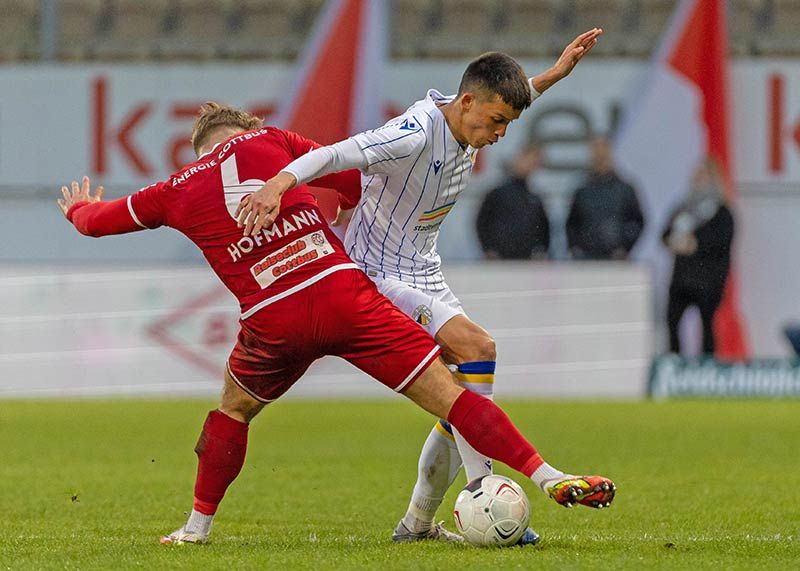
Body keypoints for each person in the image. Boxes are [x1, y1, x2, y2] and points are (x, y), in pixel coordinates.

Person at [58, 103, 615, 545]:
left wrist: (78, 209)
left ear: (198, 148)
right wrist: (334, 217)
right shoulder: (270, 140)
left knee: (233, 410)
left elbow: (97, 224)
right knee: (452, 394)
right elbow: (343, 175)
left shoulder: (175, 189)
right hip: (342, 293)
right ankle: (547, 475)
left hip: (273, 320)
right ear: (243, 130)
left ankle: (196, 529)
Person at [234, 29, 608, 543]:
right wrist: (278, 184)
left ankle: (417, 524)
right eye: (497, 121)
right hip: (376, 273)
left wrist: (553, 74)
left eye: (508, 124)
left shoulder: (472, 118)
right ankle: (485, 490)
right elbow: (334, 155)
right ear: (468, 102)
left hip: (425, 271)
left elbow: (508, 99)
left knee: (465, 396)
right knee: (478, 349)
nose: (500, 134)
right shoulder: (413, 133)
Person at [662, 158, 734, 355]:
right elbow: (664, 234)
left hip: (708, 280)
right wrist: (673, 241)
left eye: (702, 174)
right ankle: (675, 364)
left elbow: (721, 241)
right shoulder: (683, 208)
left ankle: (706, 367)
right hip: (682, 278)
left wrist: (695, 244)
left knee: (707, 326)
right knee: (672, 321)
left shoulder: (721, 212)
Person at [566, 136, 644, 260]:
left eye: (603, 154)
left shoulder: (624, 189)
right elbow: (572, 224)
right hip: (588, 259)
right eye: (597, 155)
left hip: (615, 258)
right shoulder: (582, 191)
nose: (600, 159)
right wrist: (577, 248)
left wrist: (625, 246)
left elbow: (638, 222)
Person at [476, 143, 550, 259]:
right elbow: (482, 222)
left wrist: (540, 251)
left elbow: (544, 228)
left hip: (526, 260)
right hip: (500, 259)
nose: (530, 166)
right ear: (519, 158)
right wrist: (488, 249)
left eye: (535, 163)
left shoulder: (534, 197)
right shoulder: (497, 194)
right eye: (528, 160)